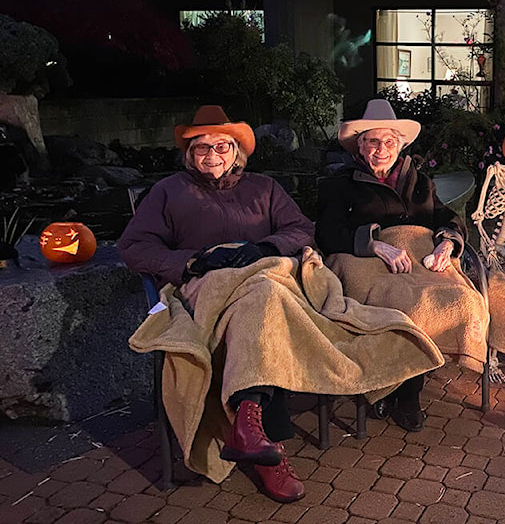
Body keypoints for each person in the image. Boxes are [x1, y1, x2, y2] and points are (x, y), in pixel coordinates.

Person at [119, 106, 443, 502]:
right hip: (209, 286)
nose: (212, 155)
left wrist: (267, 246)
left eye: (222, 146)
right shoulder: (169, 192)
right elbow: (135, 247)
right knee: (267, 298)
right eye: (201, 147)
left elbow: (301, 229)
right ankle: (266, 447)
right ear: (190, 154)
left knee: (266, 298)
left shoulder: (263, 188)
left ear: (237, 150)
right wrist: (192, 261)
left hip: (266, 278)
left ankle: (249, 425)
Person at [313, 99, 486, 432]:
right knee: (404, 307)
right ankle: (405, 393)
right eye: (373, 142)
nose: (382, 149)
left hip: (419, 259)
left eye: (389, 142)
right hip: (363, 262)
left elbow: (445, 217)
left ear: (400, 145)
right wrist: (373, 243)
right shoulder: (340, 184)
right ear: (360, 146)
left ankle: (402, 386)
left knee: (464, 299)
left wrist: (447, 243)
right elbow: (328, 232)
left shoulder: (419, 180)